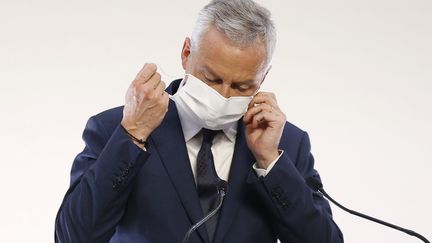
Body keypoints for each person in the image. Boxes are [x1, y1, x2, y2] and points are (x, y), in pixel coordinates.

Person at [55, 0, 344, 242]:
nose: (223, 95)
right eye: (212, 78)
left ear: (263, 78)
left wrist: (270, 162)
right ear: (186, 53)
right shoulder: (114, 129)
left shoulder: (286, 143)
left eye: (242, 86)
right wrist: (133, 135)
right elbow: (73, 237)